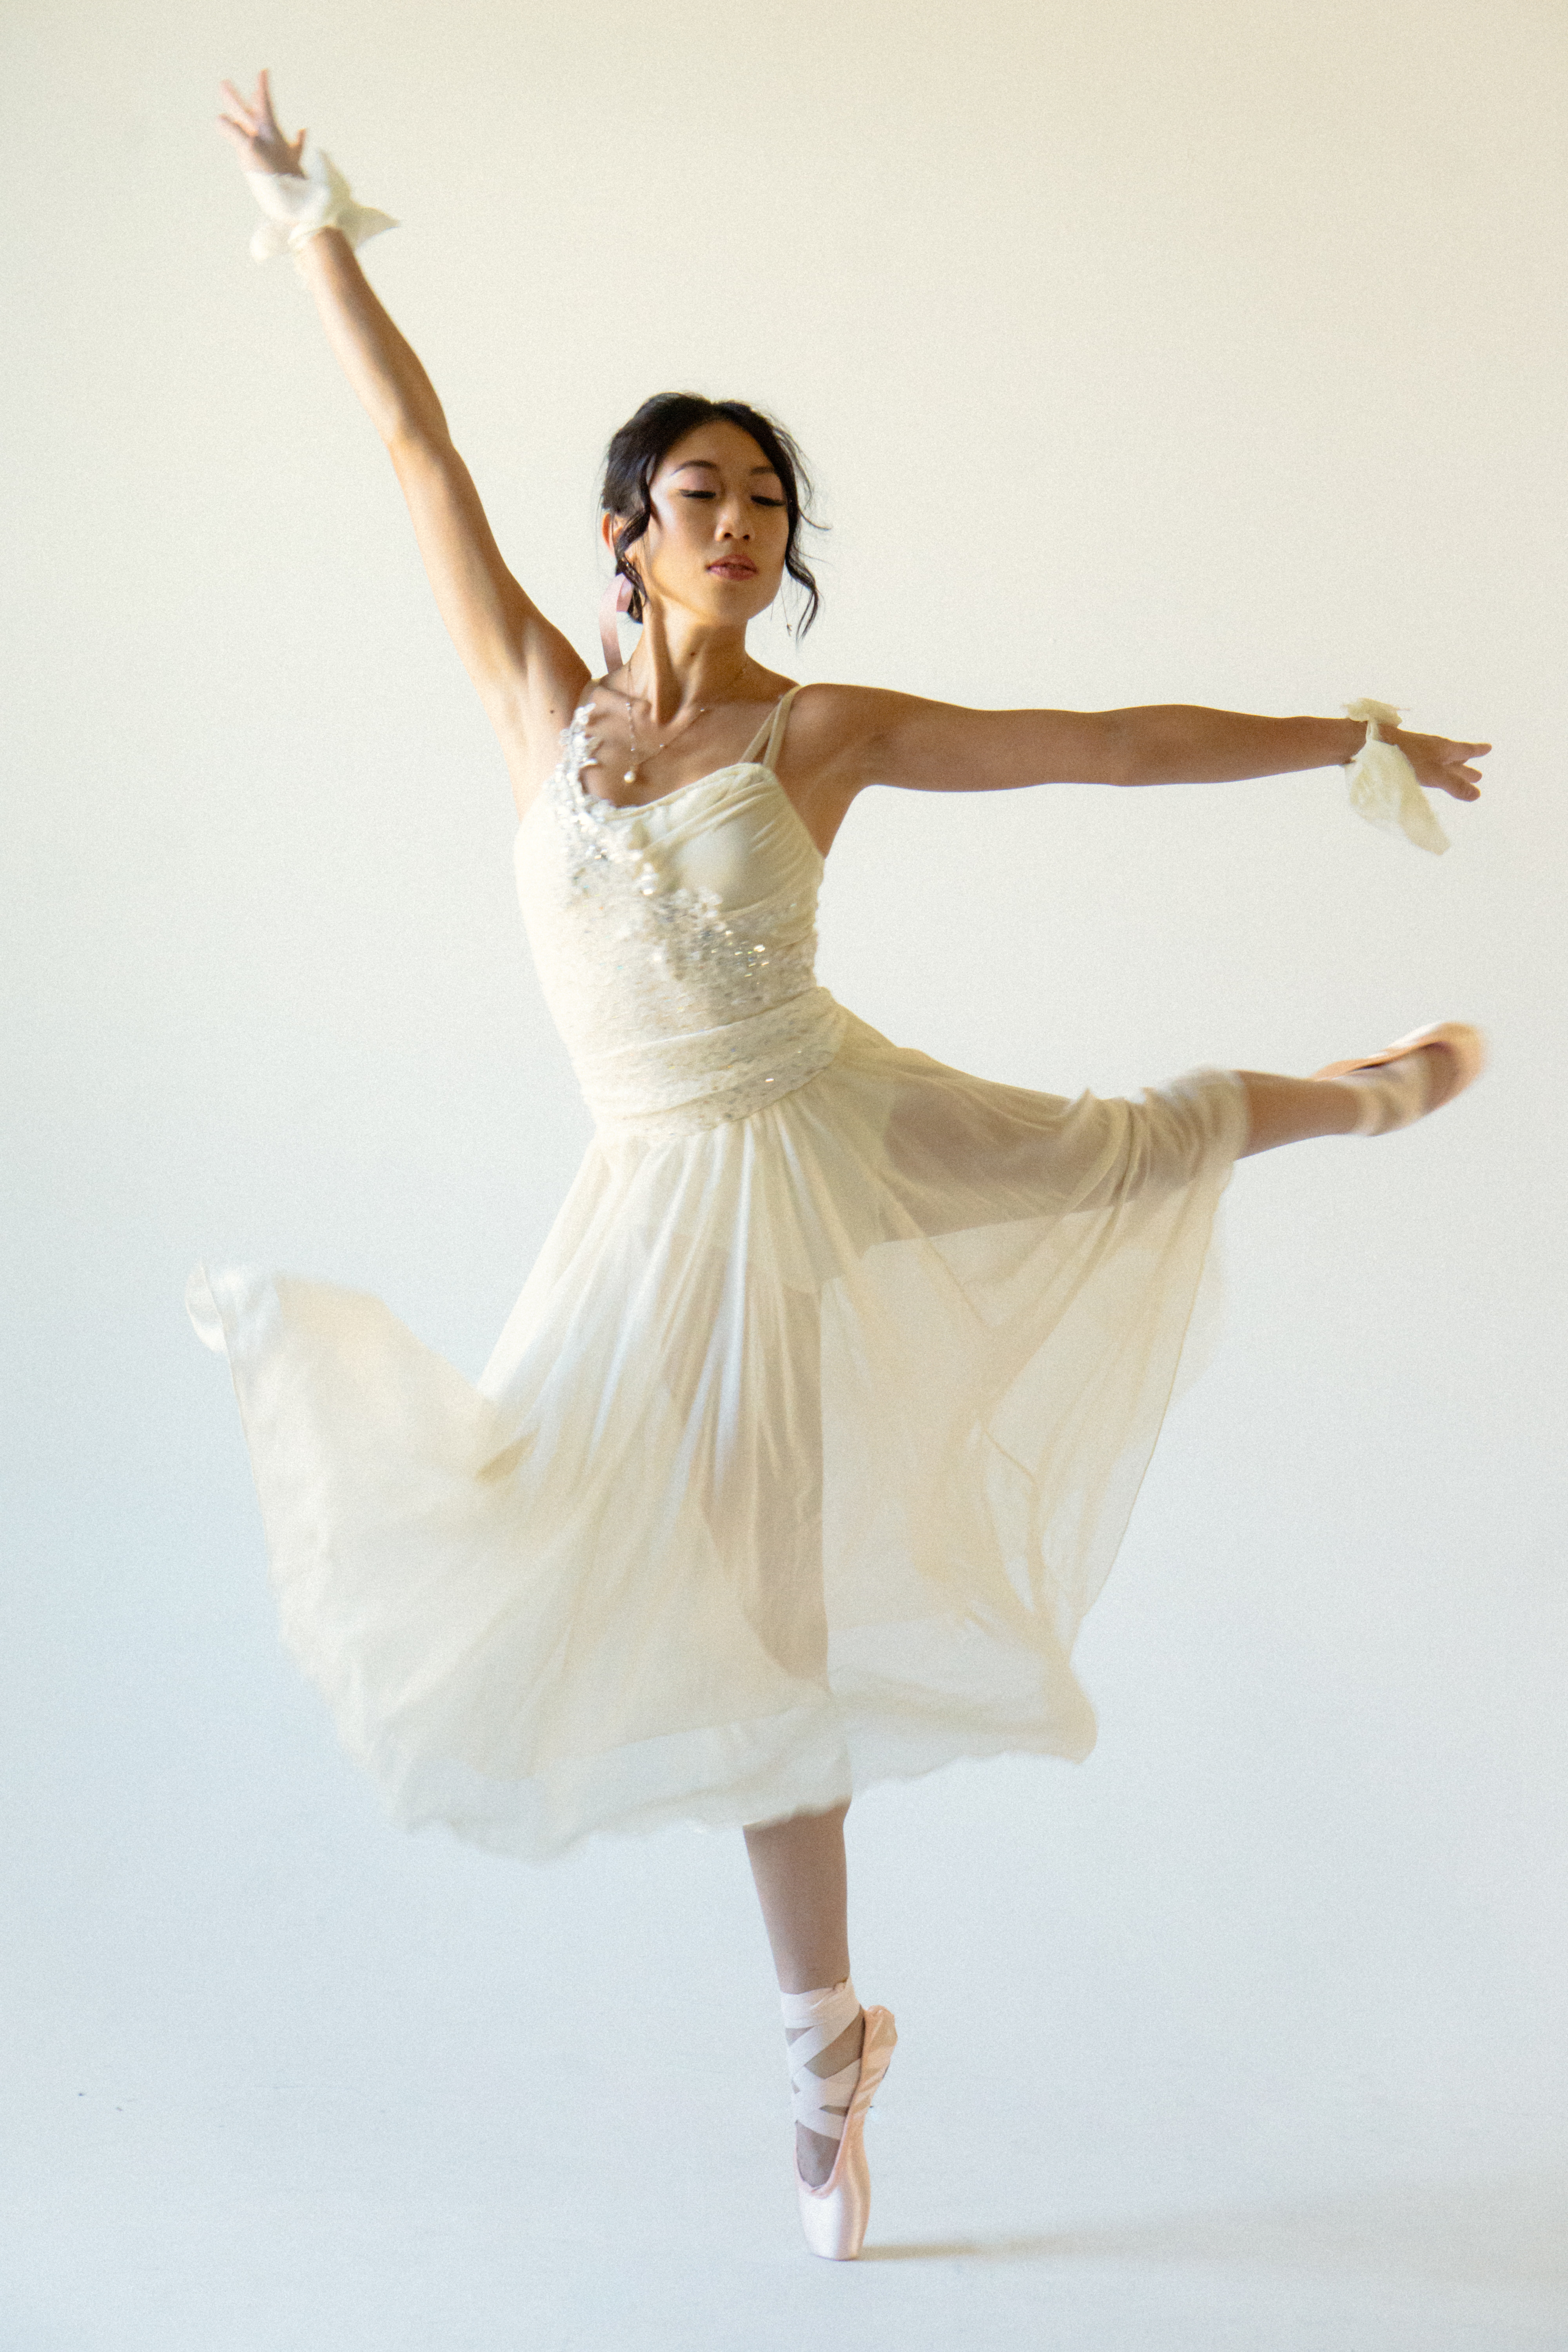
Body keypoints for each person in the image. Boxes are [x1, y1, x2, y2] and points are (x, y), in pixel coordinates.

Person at [204, 71, 1489, 2261]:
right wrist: (315, 224)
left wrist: (1342, 734)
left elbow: (1097, 750)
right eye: (698, 490)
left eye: (766, 499)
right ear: (621, 527)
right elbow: (415, 447)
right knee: (743, 1618)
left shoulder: (825, 730)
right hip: (655, 1203)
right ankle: (833, 2052)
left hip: (826, 1114)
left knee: (1088, 1159)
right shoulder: (535, 698)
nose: (738, 520)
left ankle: (1359, 1093)